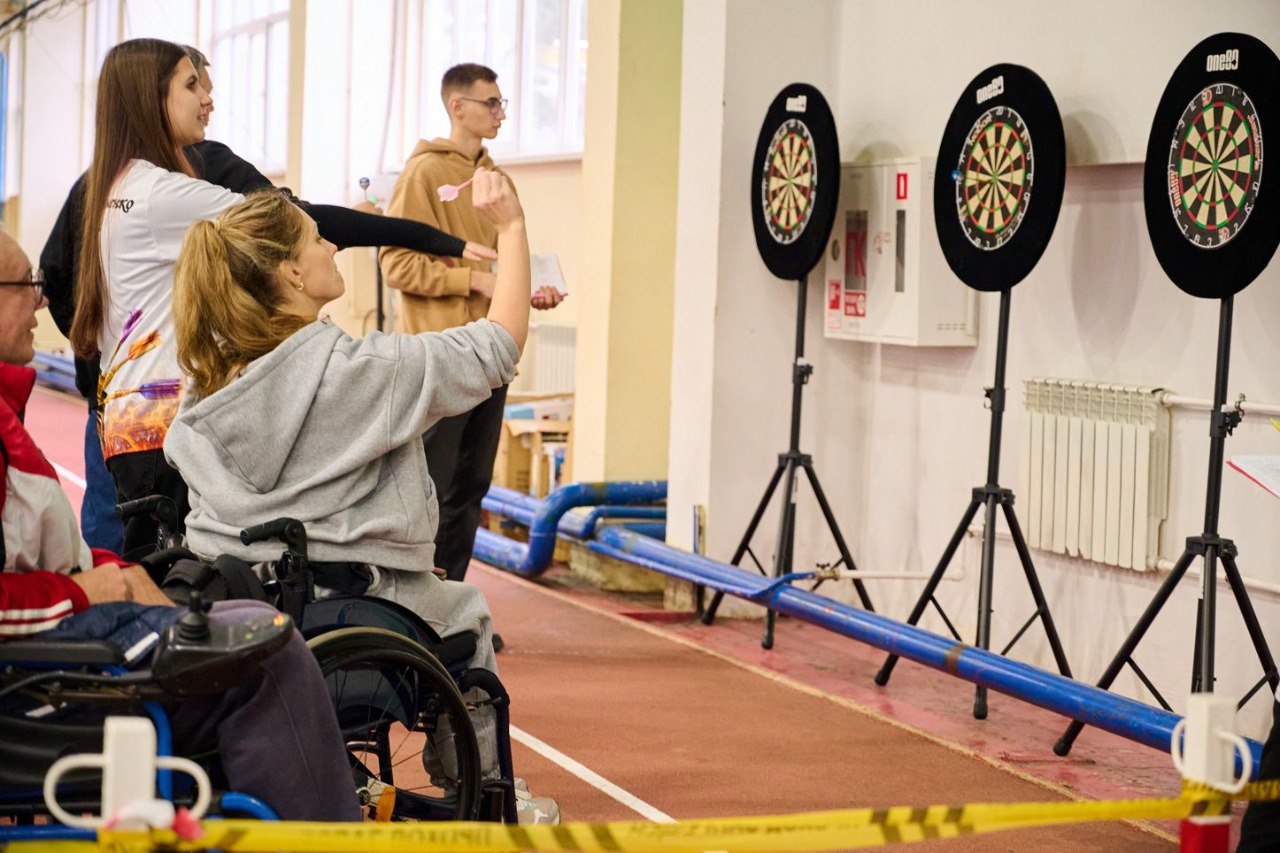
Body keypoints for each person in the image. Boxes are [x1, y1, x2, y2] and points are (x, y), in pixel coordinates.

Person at [163, 176, 557, 824]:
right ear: (291, 273)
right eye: (319, 239)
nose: (333, 247)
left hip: (236, 599)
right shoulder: (359, 374)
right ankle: (486, 796)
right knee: (467, 613)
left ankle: (361, 790)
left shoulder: (204, 391)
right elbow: (500, 343)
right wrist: (511, 230)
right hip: (345, 605)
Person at [41, 42, 495, 556]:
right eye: (192, 86)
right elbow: (292, 221)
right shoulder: (162, 195)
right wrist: (437, 240)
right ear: (152, 99)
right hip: (160, 423)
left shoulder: (120, 185)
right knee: (176, 584)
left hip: (132, 418)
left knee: (159, 573)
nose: (206, 99)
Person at [0, 224, 359, 822]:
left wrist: (111, 570)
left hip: (47, 659)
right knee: (263, 649)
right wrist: (87, 590)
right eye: (25, 284)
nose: (42, 298)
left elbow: (37, 550)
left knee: (233, 614)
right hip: (33, 687)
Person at [380, 62, 563, 583]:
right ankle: (419, 607)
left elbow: (510, 259)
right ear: (457, 107)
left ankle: (452, 603)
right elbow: (396, 262)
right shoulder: (424, 174)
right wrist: (474, 282)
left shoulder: (496, 178)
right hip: (440, 358)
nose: (501, 113)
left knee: (471, 486)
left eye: (503, 103)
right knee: (433, 487)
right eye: (492, 103)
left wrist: (527, 289)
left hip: (491, 356)